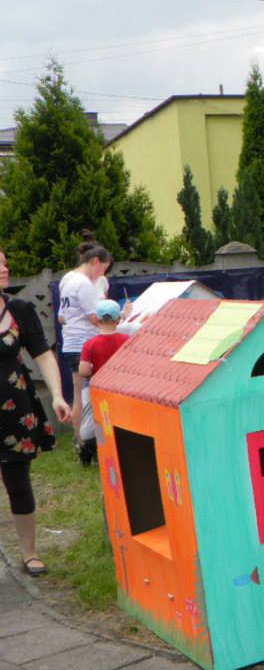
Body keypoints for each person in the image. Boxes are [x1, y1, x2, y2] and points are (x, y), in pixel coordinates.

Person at [0, 250, 72, 577]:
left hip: (16, 413)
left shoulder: (20, 310)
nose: (5, 268)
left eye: (4, 262)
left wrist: (57, 395)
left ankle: (29, 553)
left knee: (18, 482)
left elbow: (43, 356)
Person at [58, 243, 111, 434]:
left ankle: (80, 443)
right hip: (85, 344)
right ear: (95, 261)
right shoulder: (84, 283)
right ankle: (89, 440)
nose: (100, 276)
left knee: (78, 395)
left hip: (70, 342)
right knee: (90, 395)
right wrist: (117, 316)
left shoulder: (67, 279)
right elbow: (95, 318)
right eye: (102, 270)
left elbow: (61, 316)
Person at [77, 300, 129, 466]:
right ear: (118, 320)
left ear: (97, 320)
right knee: (118, 419)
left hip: (97, 388)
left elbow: (83, 371)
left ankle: (97, 450)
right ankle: (120, 450)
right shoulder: (126, 340)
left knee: (98, 420)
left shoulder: (90, 344)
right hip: (120, 388)